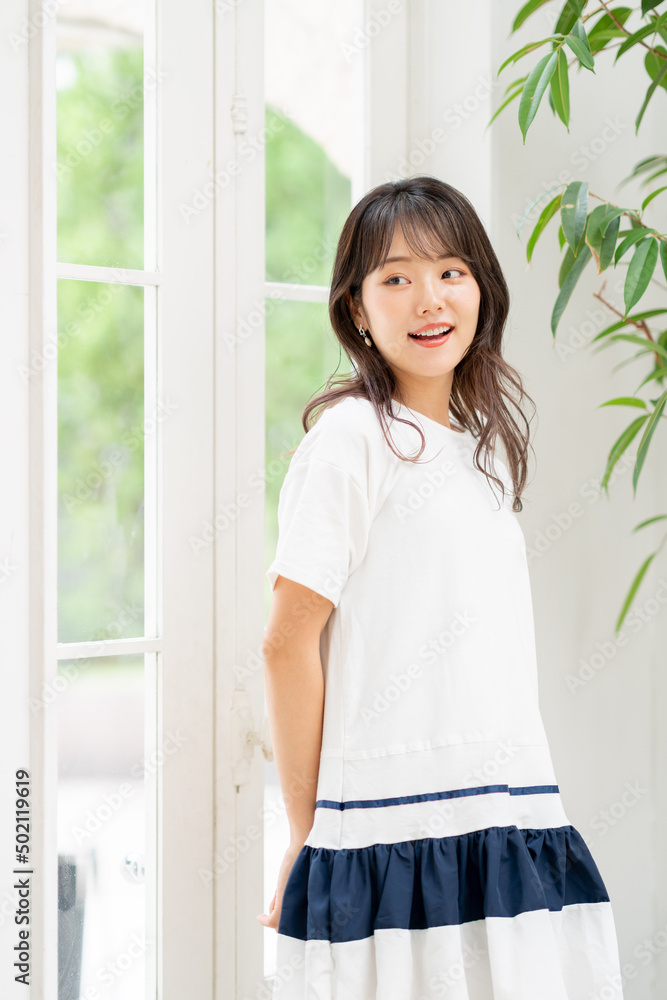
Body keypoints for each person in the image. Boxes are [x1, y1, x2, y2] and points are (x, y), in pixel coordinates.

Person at [258, 176, 624, 1000]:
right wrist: (306, 834)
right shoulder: (353, 438)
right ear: (356, 309)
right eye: (395, 278)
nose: (429, 299)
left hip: (502, 812)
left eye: (450, 272)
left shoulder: (478, 450)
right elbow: (286, 642)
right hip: (390, 826)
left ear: (480, 289)